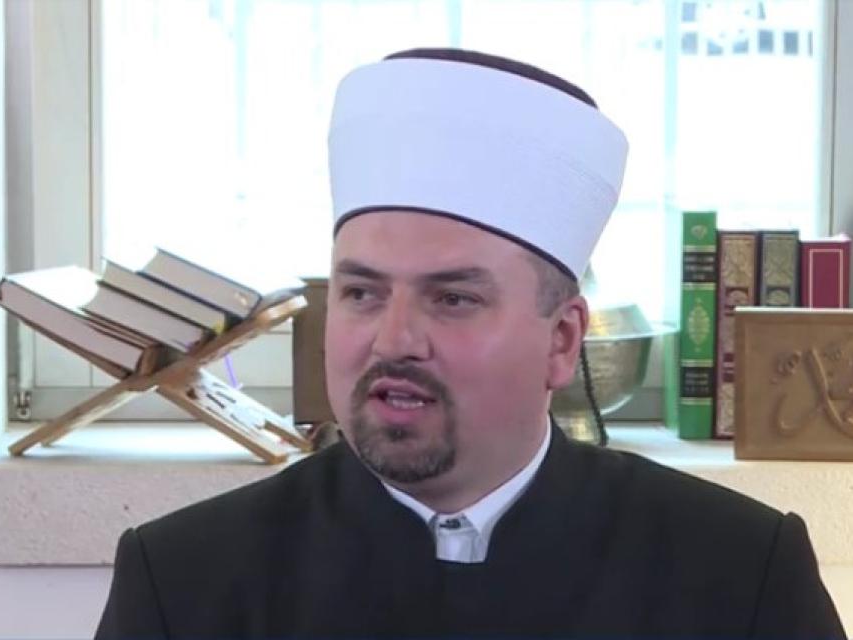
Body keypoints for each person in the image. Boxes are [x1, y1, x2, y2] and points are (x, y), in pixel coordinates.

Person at [95, 48, 846, 639]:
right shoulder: (184, 580)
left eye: (453, 298)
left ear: (562, 341)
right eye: (362, 293)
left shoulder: (739, 571)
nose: (394, 340)